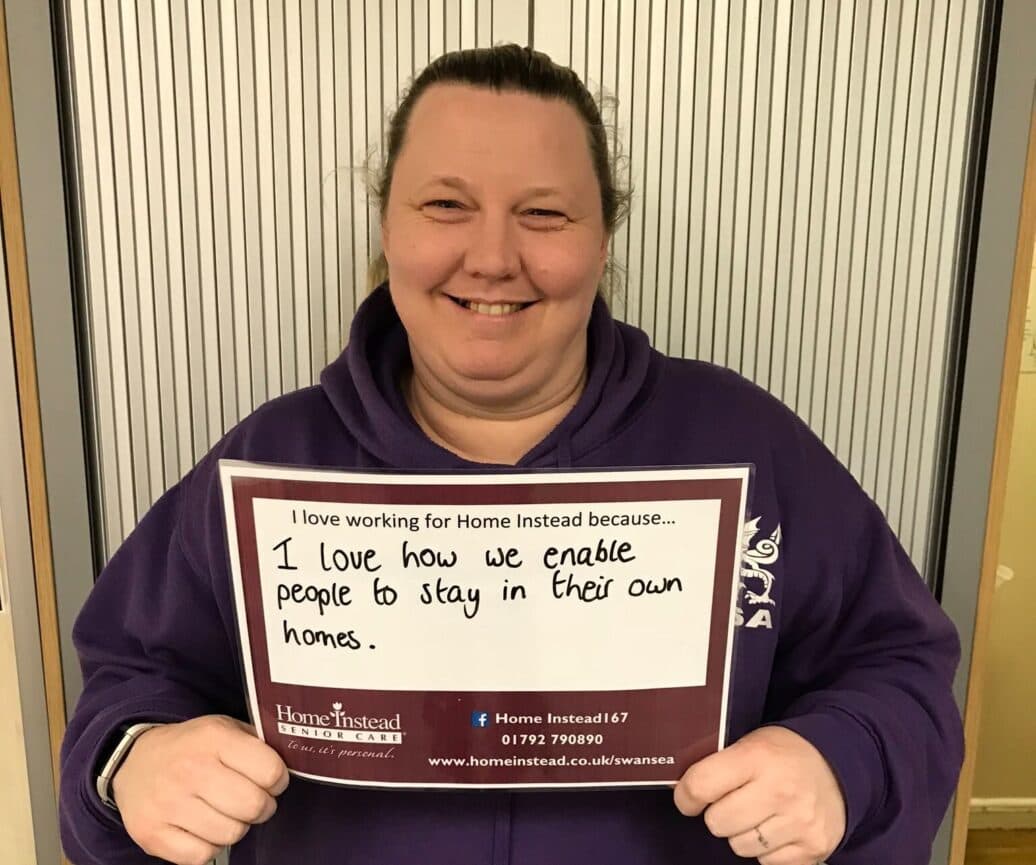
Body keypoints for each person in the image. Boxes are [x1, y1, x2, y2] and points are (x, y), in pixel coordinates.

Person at [60, 44, 963, 865]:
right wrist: (132, 762)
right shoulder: (269, 462)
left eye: (543, 213)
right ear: (387, 226)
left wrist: (840, 761)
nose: (491, 257)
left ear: (603, 239)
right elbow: (129, 682)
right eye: (446, 205)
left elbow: (900, 672)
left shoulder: (747, 446)